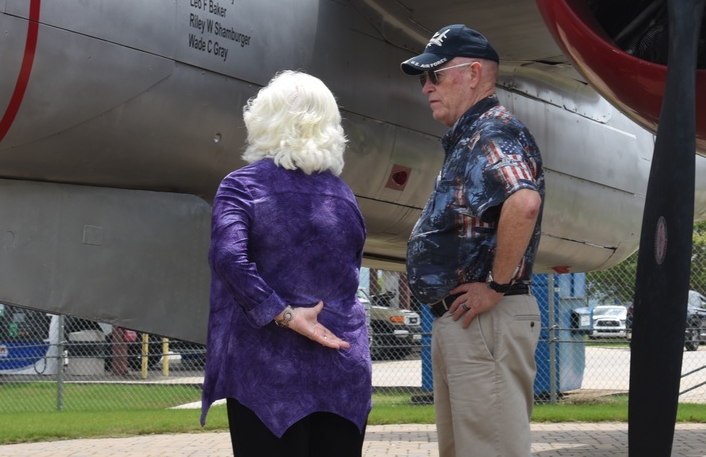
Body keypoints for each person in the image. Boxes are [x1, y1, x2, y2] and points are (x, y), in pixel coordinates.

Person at [200, 70, 372, 457]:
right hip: (343, 370)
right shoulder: (344, 195)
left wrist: (285, 314)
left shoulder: (241, 186)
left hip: (267, 378)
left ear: (262, 120)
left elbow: (228, 257)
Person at [401, 24, 545, 457]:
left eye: (436, 75)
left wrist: (496, 286)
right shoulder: (472, 134)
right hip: (468, 323)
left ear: (474, 73)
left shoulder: (491, 132)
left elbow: (524, 203)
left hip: (485, 321)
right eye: (424, 78)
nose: (426, 87)